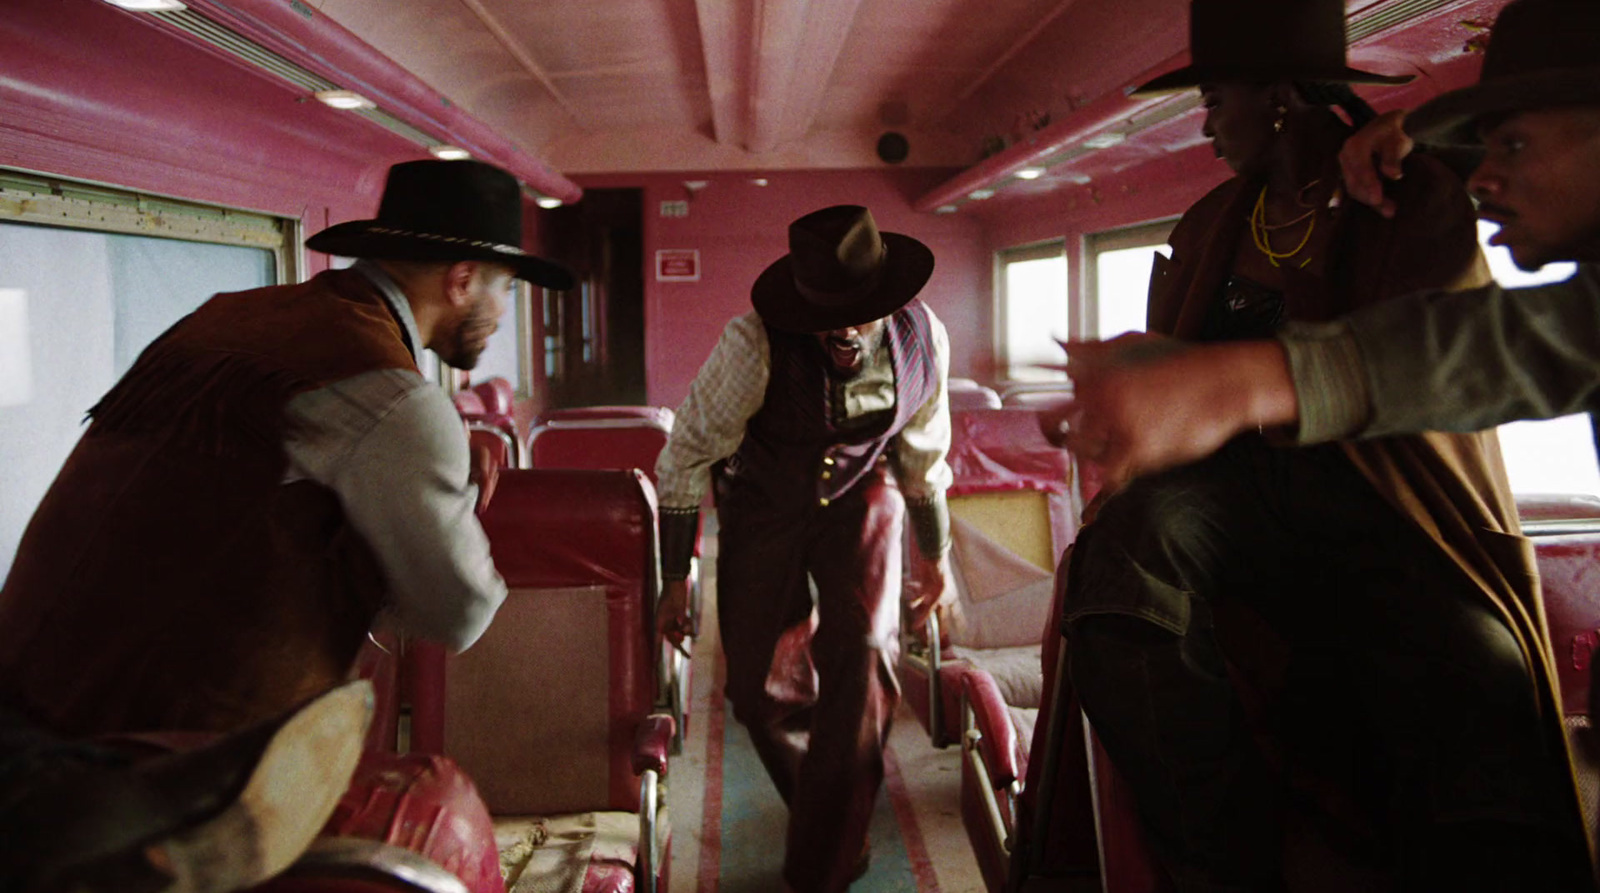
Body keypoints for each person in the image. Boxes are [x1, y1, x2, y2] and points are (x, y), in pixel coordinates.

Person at [1054, 0, 1593, 889]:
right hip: (1236, 496)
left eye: (1217, 99)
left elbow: (1460, 343)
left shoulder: (1402, 198)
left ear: (1278, 97)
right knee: (1122, 556)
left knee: (1480, 660)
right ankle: (1220, 856)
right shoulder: (1208, 225)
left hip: (1379, 491)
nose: (1206, 124)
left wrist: (1411, 135)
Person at [0, 158, 573, 890]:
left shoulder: (218, 319)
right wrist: (441, 502)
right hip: (151, 749)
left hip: (19, 694)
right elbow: (457, 611)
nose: (501, 313)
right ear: (461, 280)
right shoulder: (391, 394)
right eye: (505, 288)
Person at [653, 205, 956, 893]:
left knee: (868, 661)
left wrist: (936, 559)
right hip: (765, 500)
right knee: (760, 694)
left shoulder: (924, 336)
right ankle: (830, 807)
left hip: (863, 495)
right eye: (829, 313)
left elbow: (924, 457)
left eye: (862, 311)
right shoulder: (753, 343)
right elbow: (685, 456)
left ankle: (823, 859)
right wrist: (677, 576)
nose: (845, 329)